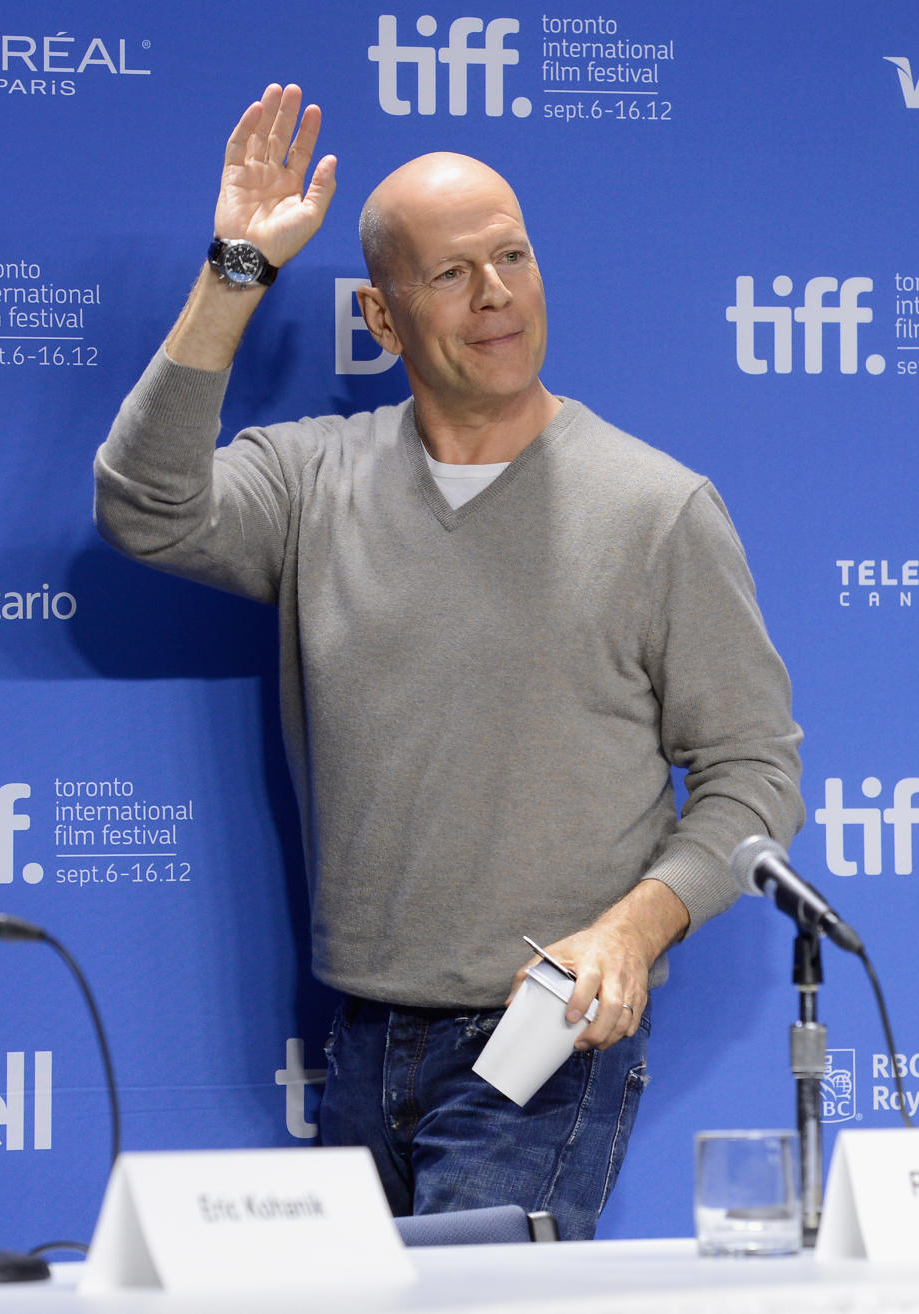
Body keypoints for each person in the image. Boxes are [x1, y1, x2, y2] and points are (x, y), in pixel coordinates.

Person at [94, 84, 803, 1240]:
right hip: (362, 1034)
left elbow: (754, 777)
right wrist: (235, 269)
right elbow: (145, 506)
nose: (497, 297)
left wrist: (634, 928)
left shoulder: (659, 509)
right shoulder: (312, 479)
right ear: (379, 317)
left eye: (513, 257)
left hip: (544, 1045)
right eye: (452, 274)